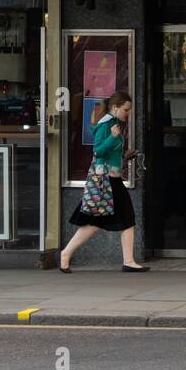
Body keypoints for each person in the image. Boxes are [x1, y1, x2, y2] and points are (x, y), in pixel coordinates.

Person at [60, 91, 149, 274]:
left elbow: (109, 154)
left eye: (129, 110)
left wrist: (125, 156)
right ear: (115, 108)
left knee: (114, 220)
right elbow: (99, 151)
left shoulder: (114, 123)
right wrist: (113, 137)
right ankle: (67, 254)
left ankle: (128, 261)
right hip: (106, 181)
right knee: (103, 221)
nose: (128, 113)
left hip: (111, 179)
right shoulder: (106, 125)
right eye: (126, 109)